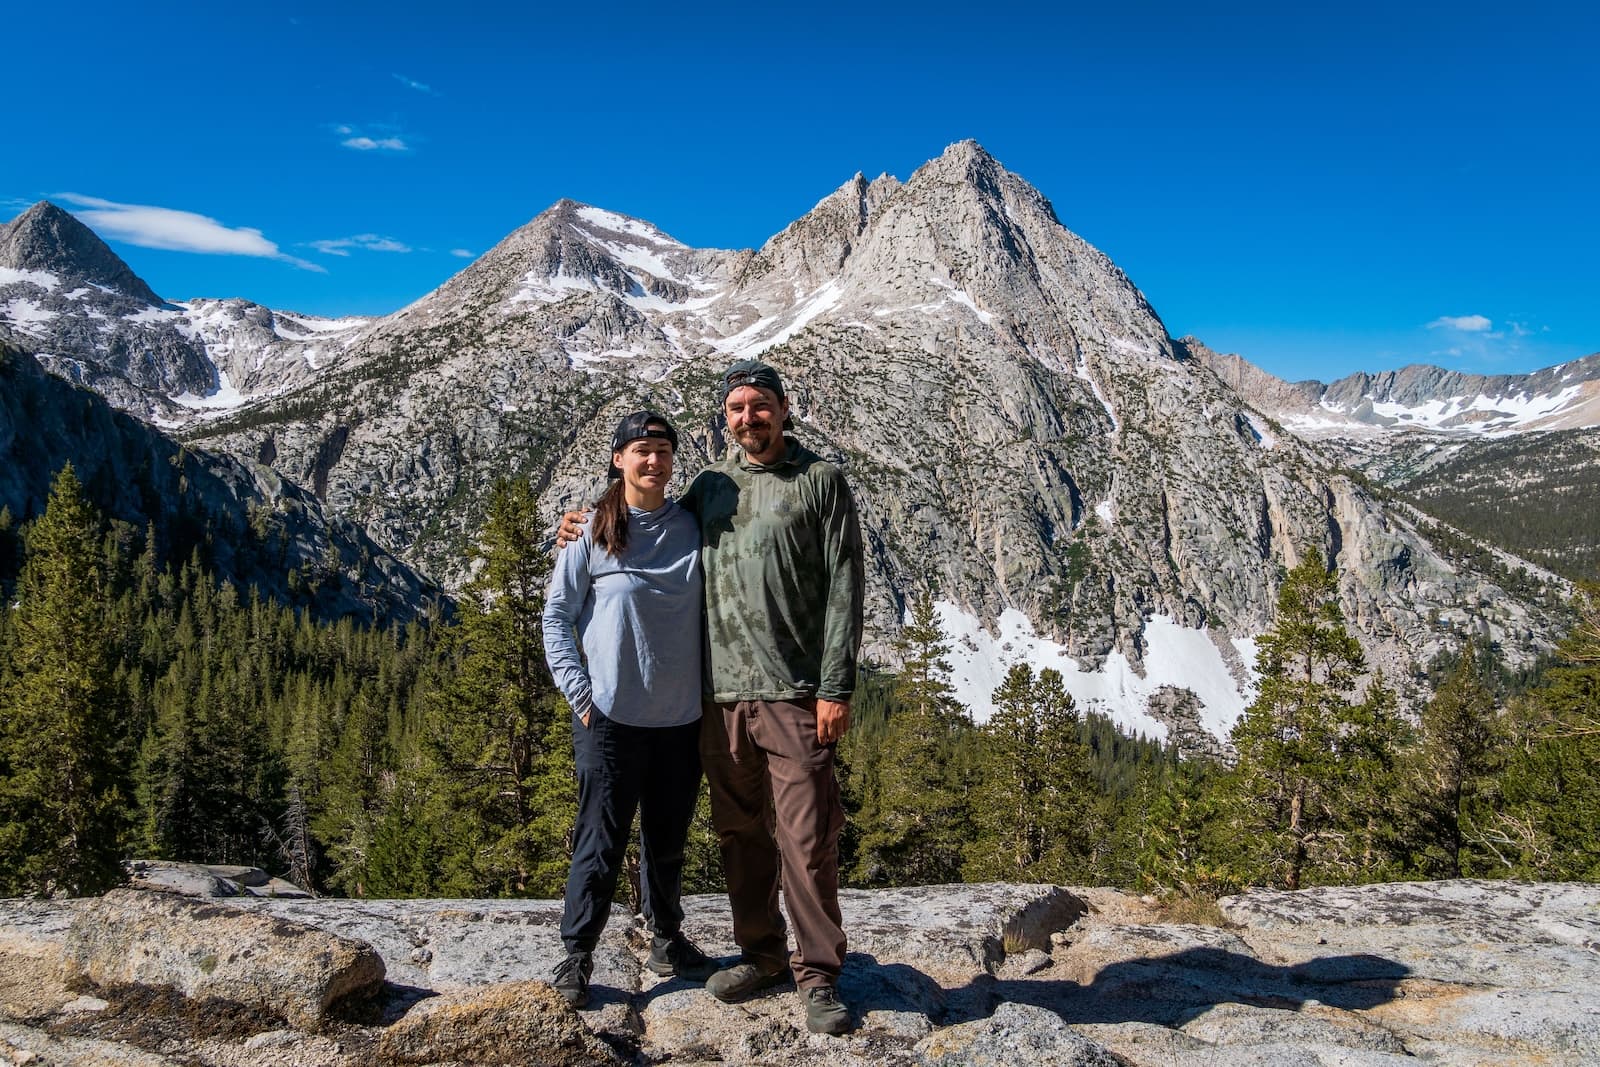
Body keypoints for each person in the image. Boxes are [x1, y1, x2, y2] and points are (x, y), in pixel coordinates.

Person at [559, 361, 865, 1035]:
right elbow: (641, 512)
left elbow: (845, 587)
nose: (748, 417)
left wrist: (836, 686)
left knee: (808, 838)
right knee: (739, 835)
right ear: (724, 419)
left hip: (794, 692)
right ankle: (761, 953)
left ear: (786, 409)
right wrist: (579, 522)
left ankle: (818, 973)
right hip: (718, 701)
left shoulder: (819, 481)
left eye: (761, 405)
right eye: (736, 408)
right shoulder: (708, 488)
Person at [542, 410, 717, 1009]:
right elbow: (556, 619)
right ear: (619, 459)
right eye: (642, 450)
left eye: (663, 450)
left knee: (667, 840)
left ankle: (665, 938)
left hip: (679, 720)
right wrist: (580, 695)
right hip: (610, 720)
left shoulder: (694, 527)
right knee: (601, 840)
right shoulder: (590, 532)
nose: (654, 461)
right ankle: (577, 954)